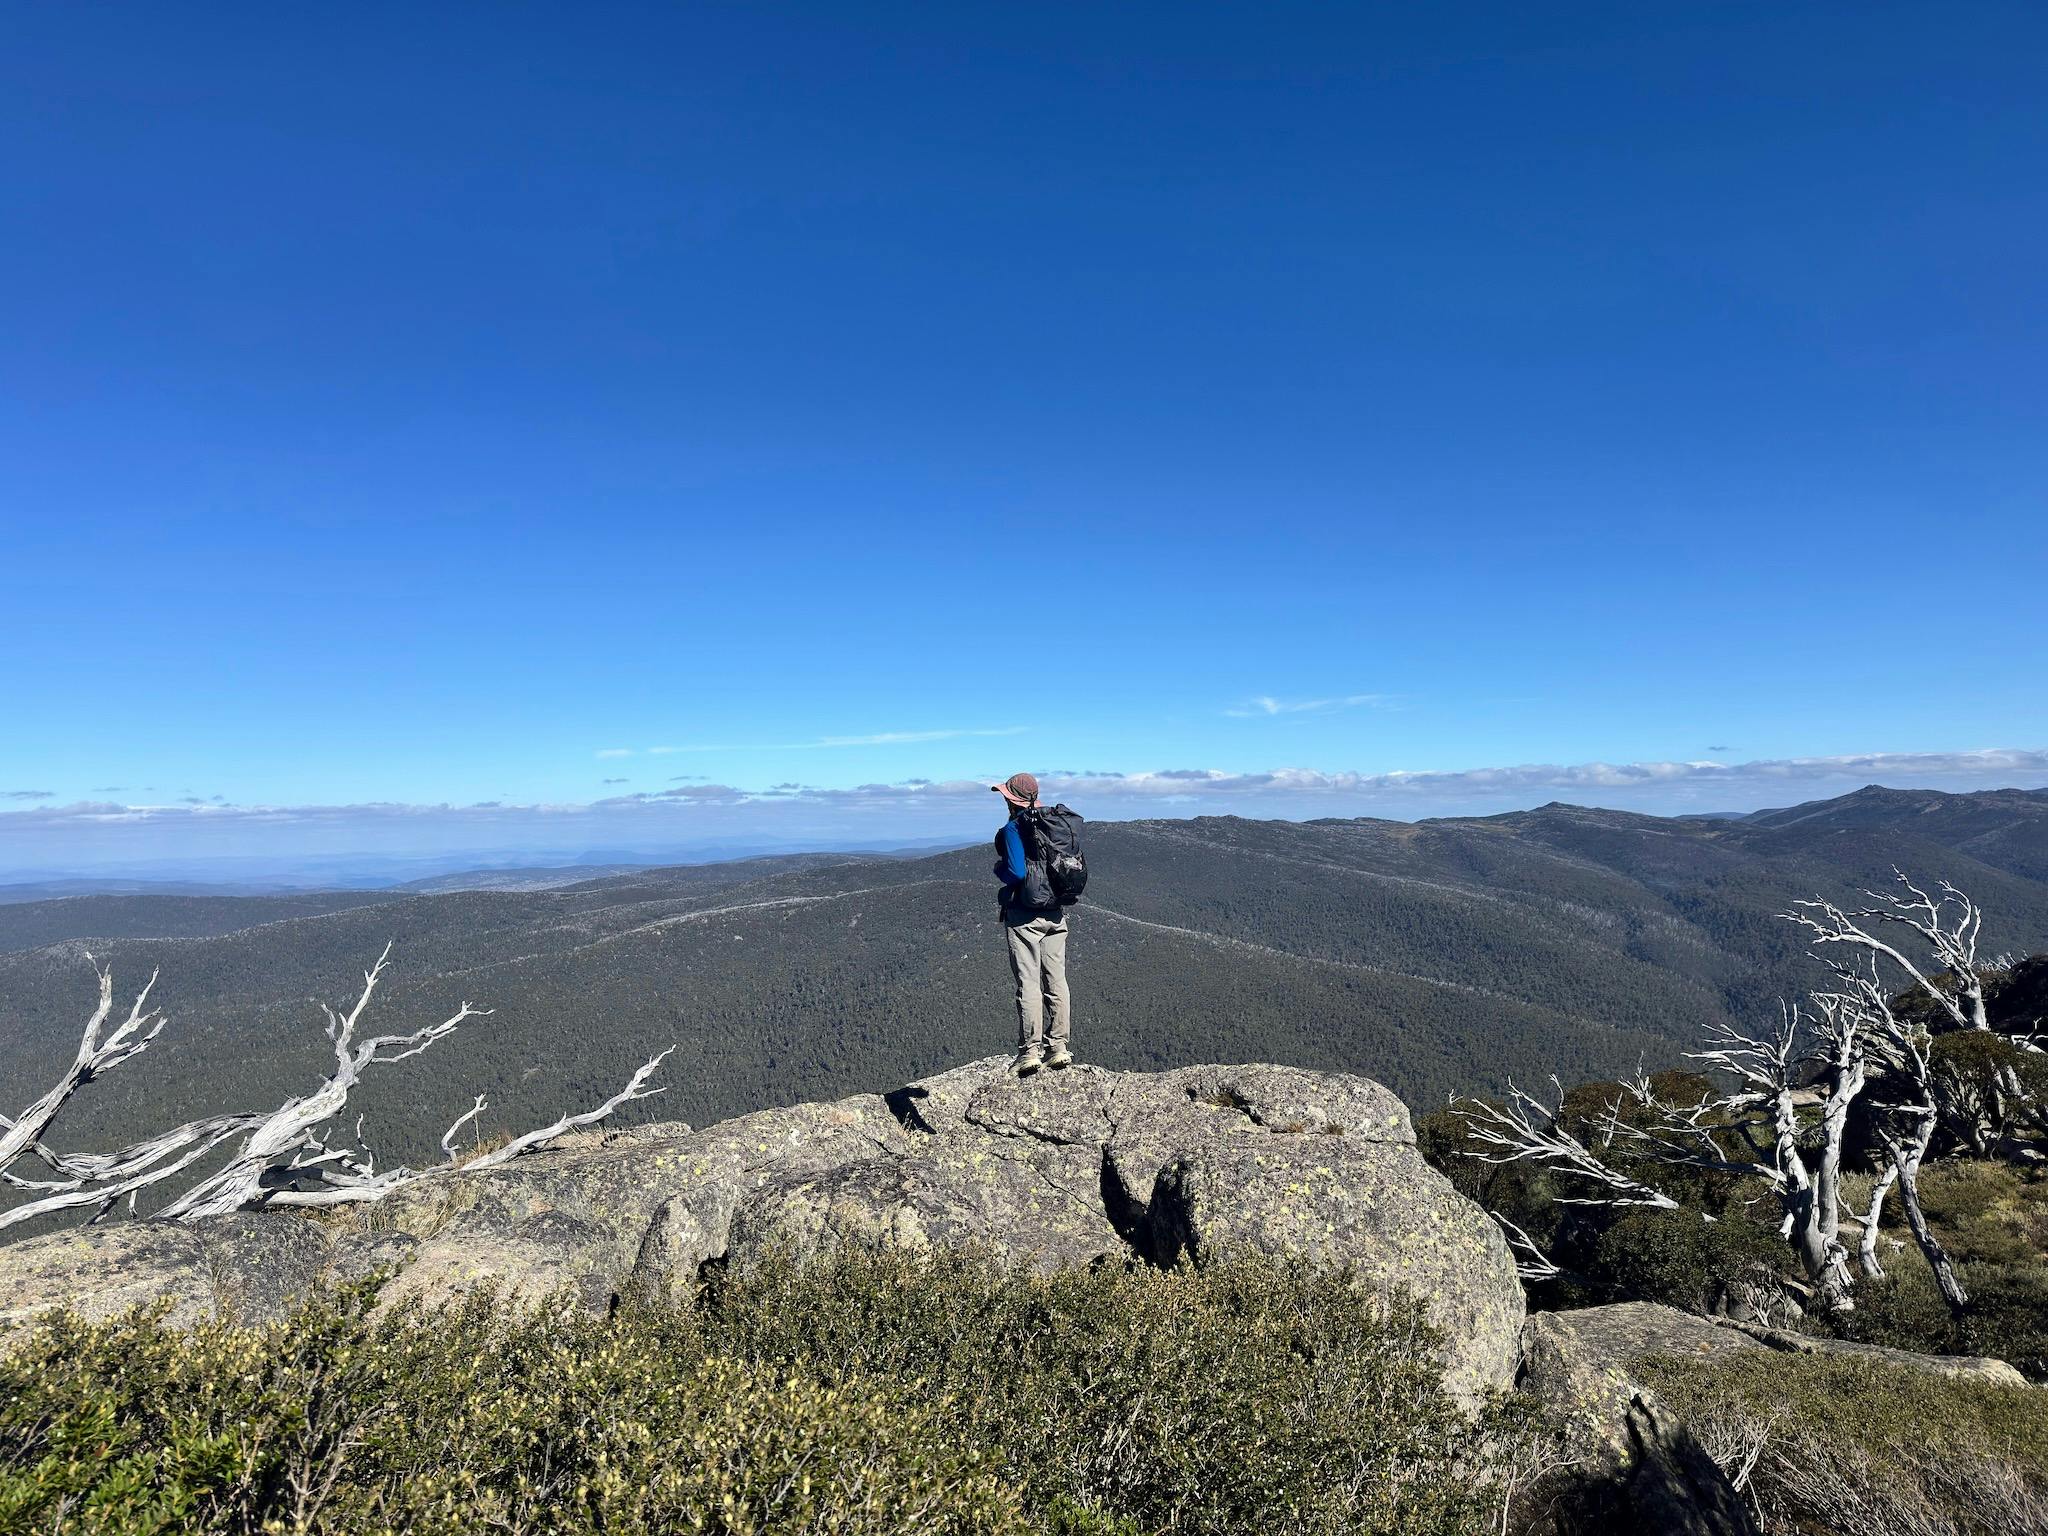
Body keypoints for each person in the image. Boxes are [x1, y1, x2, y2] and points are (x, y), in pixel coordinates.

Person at [991, 771, 1071, 1075]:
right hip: (1056, 913)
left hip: (1025, 915)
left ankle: (1030, 1052)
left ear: (1011, 799)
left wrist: (999, 869)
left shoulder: (1013, 828)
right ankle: (1059, 1047)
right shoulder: (1053, 823)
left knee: (1028, 983)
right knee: (1056, 980)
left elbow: (1015, 873)